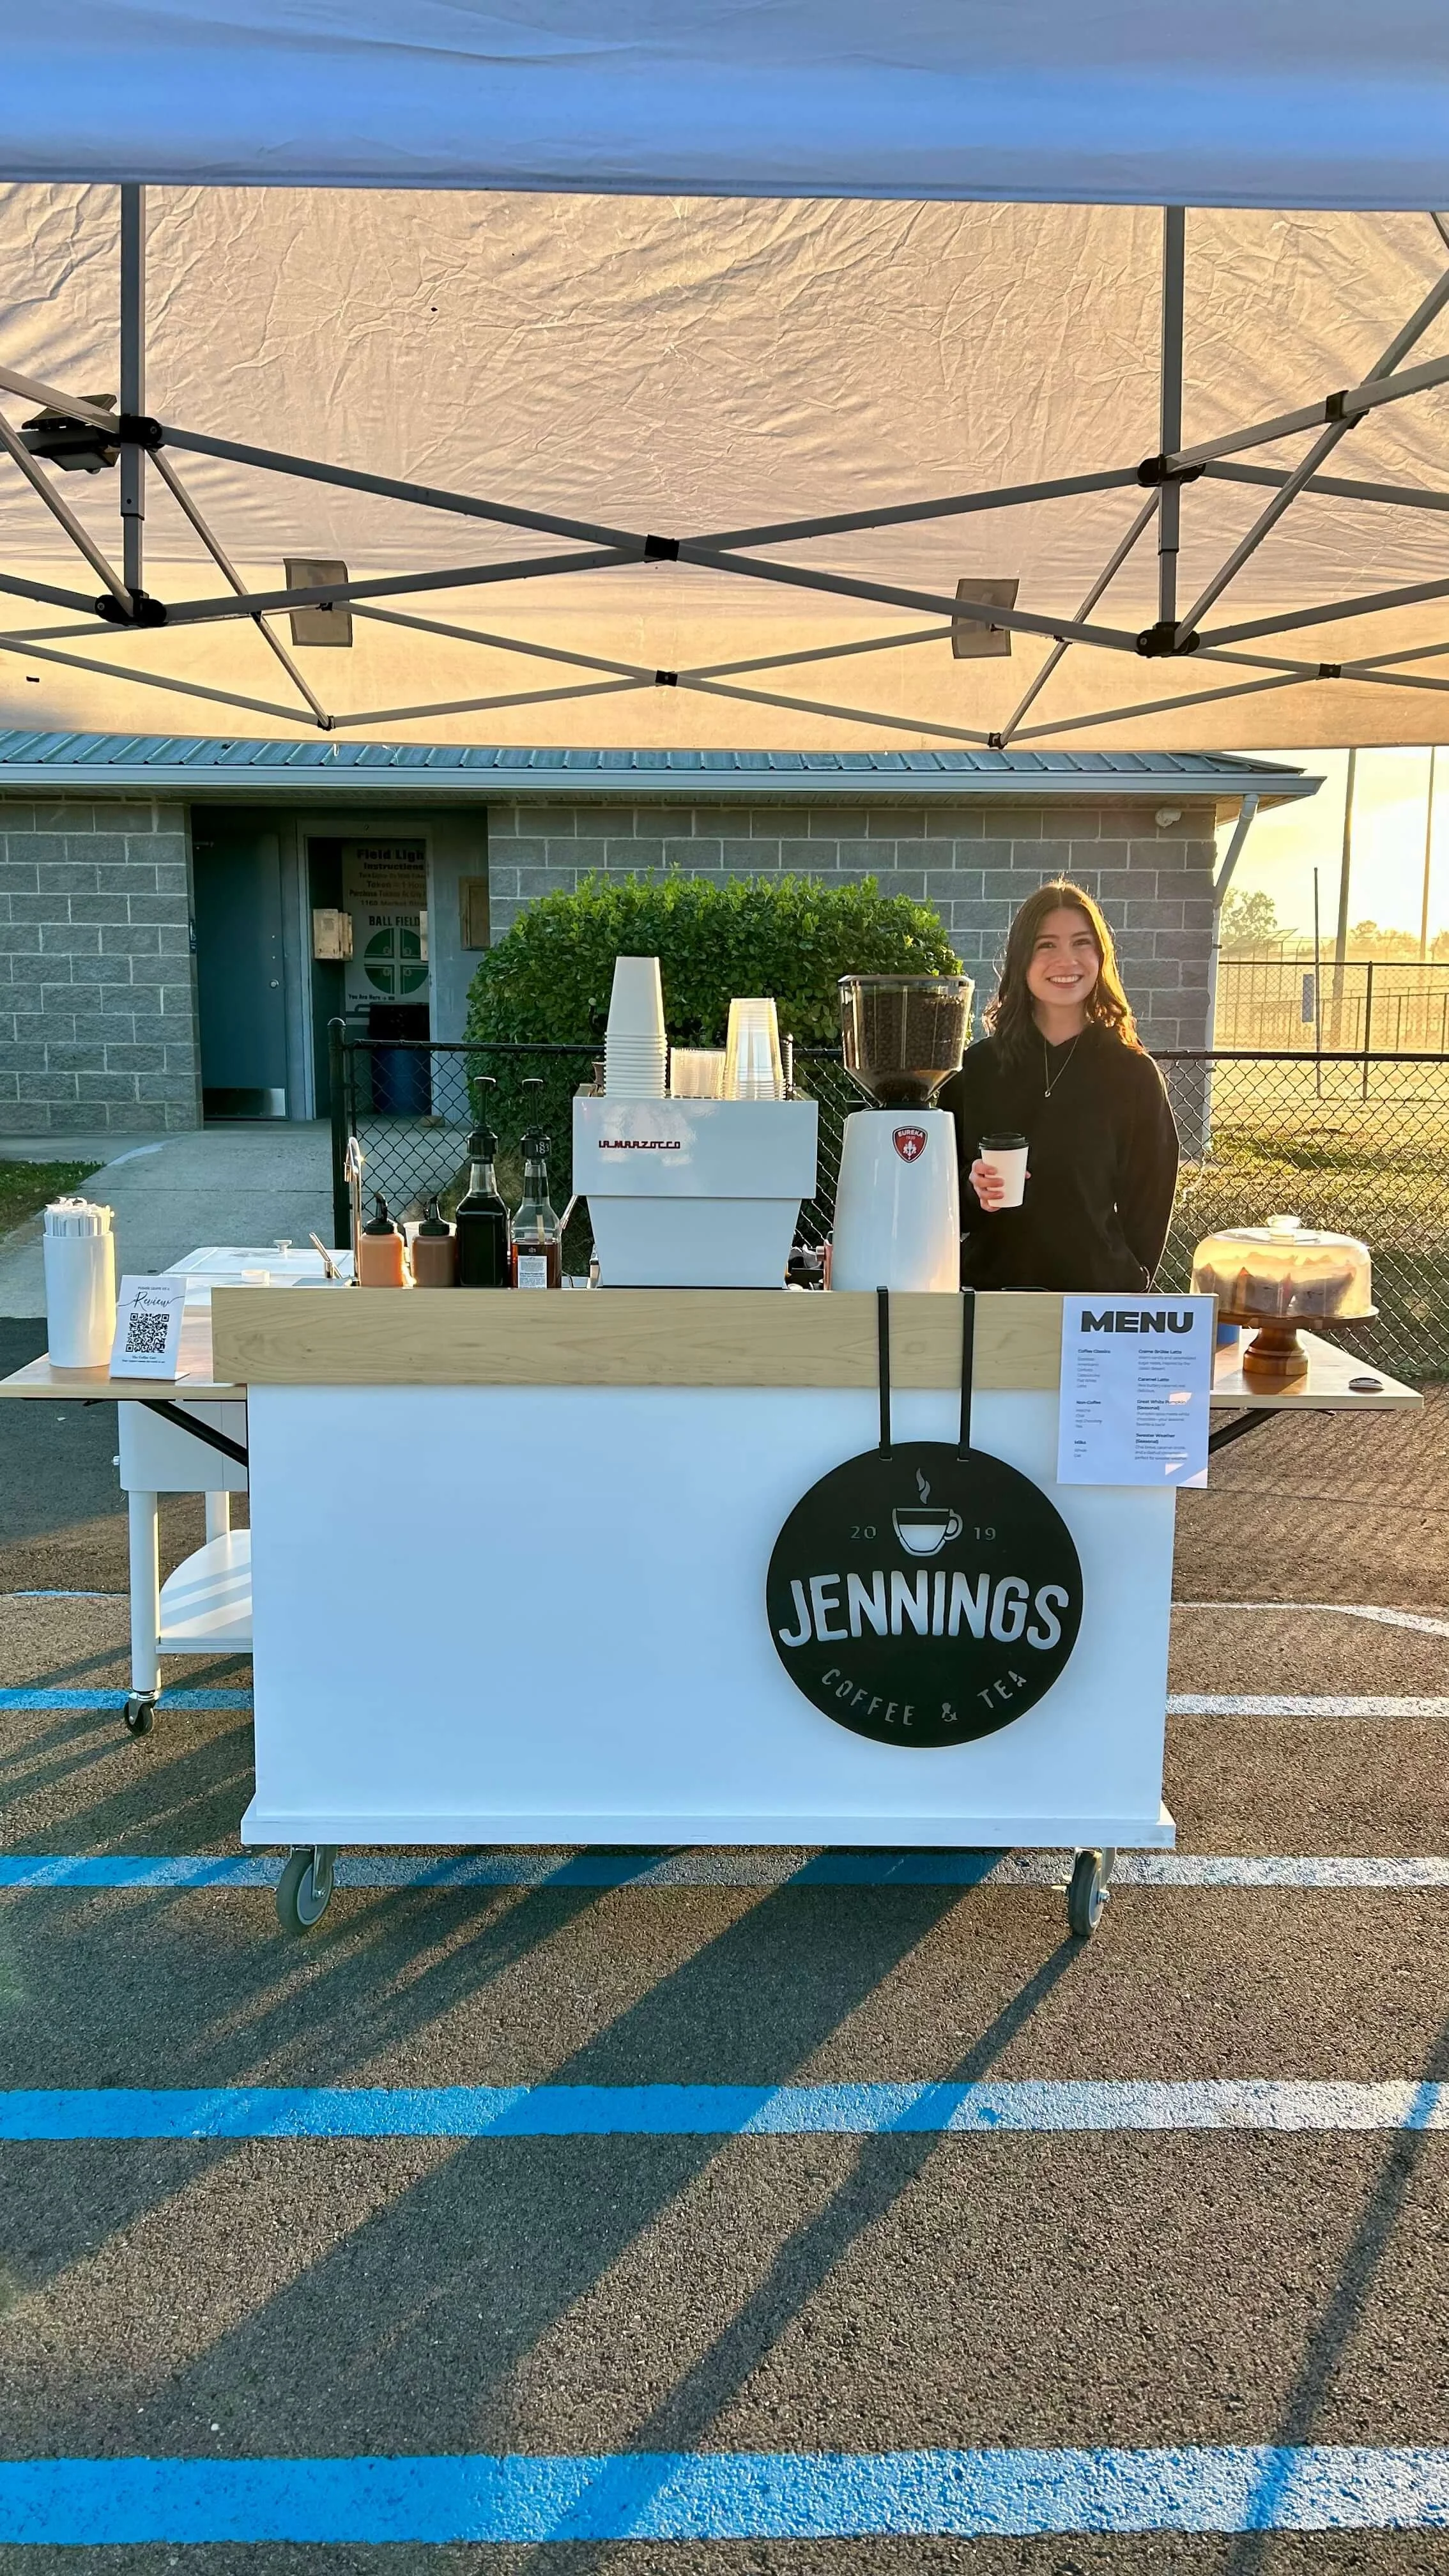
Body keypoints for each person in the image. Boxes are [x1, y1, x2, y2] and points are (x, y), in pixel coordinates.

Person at [937, 880, 1179, 1292]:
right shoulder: (975, 1069)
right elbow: (941, 1194)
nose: (1066, 960)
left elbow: (1150, 1197)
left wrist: (1134, 1282)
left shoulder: (1132, 1073)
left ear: (1100, 957)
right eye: (1047, 945)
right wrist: (971, 1187)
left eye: (1081, 943)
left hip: (1096, 1301)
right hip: (990, 1295)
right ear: (1021, 959)